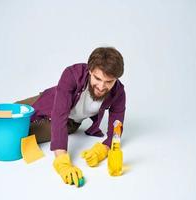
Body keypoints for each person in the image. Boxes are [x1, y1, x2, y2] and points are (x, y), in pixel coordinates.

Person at [16, 47, 126, 187]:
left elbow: (116, 131)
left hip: (70, 123)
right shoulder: (72, 74)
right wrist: (62, 161)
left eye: (109, 81)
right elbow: (59, 114)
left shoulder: (119, 93)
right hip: (49, 102)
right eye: (97, 78)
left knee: (19, 133)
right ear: (90, 70)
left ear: (116, 79)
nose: (101, 86)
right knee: (10, 114)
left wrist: (103, 150)